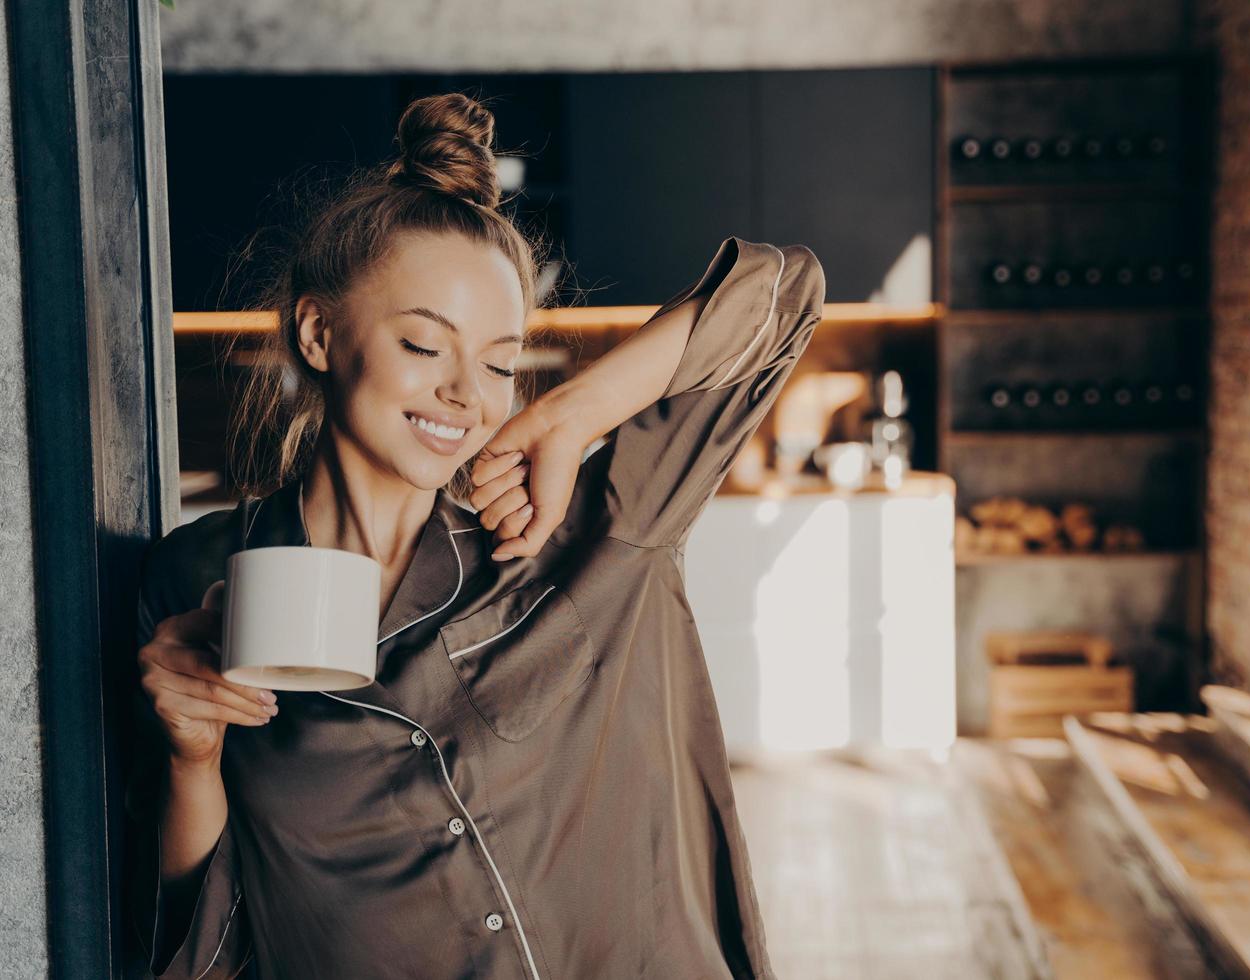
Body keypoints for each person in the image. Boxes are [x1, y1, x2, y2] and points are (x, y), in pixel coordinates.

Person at [123, 92, 825, 980]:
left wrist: (571, 413)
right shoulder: (189, 582)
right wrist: (193, 760)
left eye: (499, 362)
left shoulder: (579, 532)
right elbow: (195, 928)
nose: (468, 393)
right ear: (318, 332)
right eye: (425, 346)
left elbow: (784, 291)